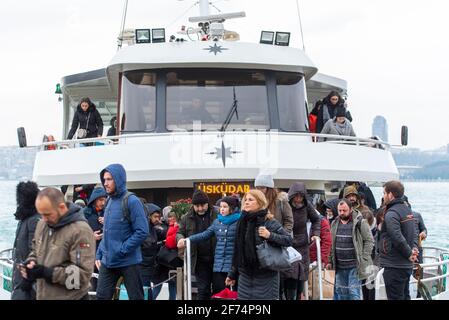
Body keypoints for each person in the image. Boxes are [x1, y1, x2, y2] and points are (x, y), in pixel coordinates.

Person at [19, 188, 95, 300]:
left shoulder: (80, 231)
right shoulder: (42, 224)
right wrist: (31, 263)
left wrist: (48, 273)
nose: (44, 219)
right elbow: (36, 250)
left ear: (62, 207)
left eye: (47, 214)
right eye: (41, 214)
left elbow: (82, 276)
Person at [225, 189, 292, 300]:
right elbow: (238, 251)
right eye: (245, 200)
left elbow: (288, 240)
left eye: (251, 200)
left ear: (260, 203)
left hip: (266, 277)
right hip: (245, 276)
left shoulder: (269, 221)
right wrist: (232, 274)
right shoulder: (242, 222)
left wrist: (269, 235)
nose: (246, 202)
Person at [95, 164, 149, 300]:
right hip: (108, 262)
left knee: (136, 297)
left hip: (129, 261)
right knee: (101, 297)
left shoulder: (132, 201)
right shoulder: (108, 201)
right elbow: (106, 232)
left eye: (109, 179)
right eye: (104, 179)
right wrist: (99, 254)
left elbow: (142, 231)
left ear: (118, 179)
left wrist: (122, 249)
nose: (105, 183)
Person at [178, 196, 241, 295]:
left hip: (232, 265)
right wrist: (188, 240)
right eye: (221, 207)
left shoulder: (239, 222)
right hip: (219, 265)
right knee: (218, 292)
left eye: (225, 207)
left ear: (232, 208)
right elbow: (205, 234)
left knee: (232, 293)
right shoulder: (217, 222)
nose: (222, 209)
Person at [327, 199, 374, 300]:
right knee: (341, 293)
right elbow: (332, 243)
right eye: (339, 210)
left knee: (354, 293)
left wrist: (363, 258)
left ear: (351, 209)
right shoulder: (334, 223)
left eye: (344, 210)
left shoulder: (361, 222)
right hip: (339, 266)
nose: (342, 213)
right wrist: (330, 260)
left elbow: (369, 241)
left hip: (354, 265)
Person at [378, 181, 418, 300]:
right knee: (405, 296)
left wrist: (410, 253)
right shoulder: (407, 210)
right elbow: (414, 232)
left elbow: (397, 237)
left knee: (396, 297)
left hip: (394, 265)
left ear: (390, 194)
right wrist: (414, 248)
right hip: (405, 266)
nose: (383, 196)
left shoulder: (391, 213)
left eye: (384, 193)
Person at [282, 182, 321, 300]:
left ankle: (298, 296)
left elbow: (316, 220)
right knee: (288, 275)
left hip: (302, 246)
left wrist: (315, 234)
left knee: (300, 275)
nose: (299, 198)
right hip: (287, 243)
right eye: (296, 195)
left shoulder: (307, 205)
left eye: (301, 196)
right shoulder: (285, 205)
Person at [176, 189, 218, 300]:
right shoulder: (186, 217)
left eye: (202, 205)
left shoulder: (218, 214)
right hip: (199, 260)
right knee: (203, 290)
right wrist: (180, 239)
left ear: (207, 203)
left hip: (217, 258)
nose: (200, 208)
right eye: (197, 206)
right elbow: (180, 232)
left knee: (218, 289)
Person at [11, 181, 40, 300]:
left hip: (26, 277)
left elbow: (34, 249)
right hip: (20, 273)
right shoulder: (25, 218)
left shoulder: (33, 220)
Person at [140, 203, 166, 300]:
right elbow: (147, 243)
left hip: (148, 263)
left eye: (158, 217)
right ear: (149, 215)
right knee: (146, 289)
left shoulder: (152, 227)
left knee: (146, 289)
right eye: (155, 217)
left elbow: (162, 233)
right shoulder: (145, 227)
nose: (157, 219)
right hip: (143, 264)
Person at [153, 211, 178, 300]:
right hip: (164, 260)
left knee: (172, 283)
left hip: (170, 259)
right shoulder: (162, 226)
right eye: (169, 217)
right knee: (159, 284)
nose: (171, 219)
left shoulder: (177, 227)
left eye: (173, 217)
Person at [402, 196, 427, 264]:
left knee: (419, 269)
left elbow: (424, 229)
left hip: (417, 247)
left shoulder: (417, 215)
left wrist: (423, 233)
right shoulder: (395, 216)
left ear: (407, 203)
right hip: (403, 249)